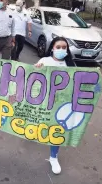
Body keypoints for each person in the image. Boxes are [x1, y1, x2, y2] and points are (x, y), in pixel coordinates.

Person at [34, 36, 76, 175]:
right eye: (58, 47)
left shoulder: (70, 65)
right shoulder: (45, 61)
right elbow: (32, 79)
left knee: (56, 129)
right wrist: (37, 68)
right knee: (38, 125)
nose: (61, 49)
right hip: (44, 101)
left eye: (64, 47)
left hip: (61, 104)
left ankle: (53, 157)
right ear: (52, 48)